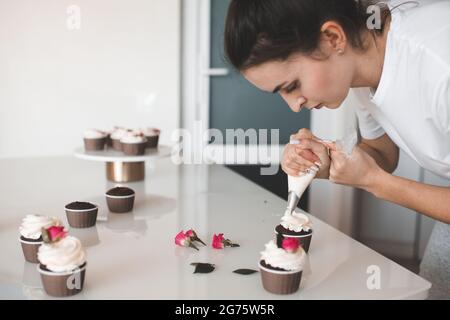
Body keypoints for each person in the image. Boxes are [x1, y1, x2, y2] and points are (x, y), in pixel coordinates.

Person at [224, 0, 450, 299]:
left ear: (332, 38)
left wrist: (376, 182)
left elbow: (380, 175)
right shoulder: (363, 63)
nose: (294, 106)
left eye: (292, 85)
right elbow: (383, 154)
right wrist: (327, 164)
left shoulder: (439, 65)